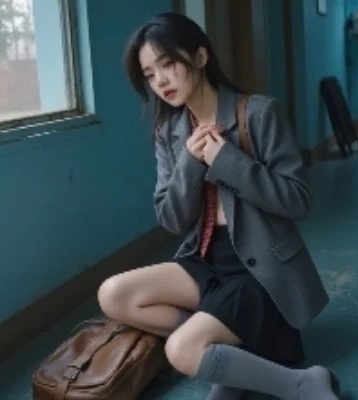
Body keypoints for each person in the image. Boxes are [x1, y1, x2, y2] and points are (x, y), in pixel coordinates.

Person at [97, 12, 340, 400]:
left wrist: (227, 161)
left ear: (201, 56)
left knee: (181, 350)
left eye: (168, 64)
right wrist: (191, 163)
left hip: (259, 270)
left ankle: (304, 382)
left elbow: (298, 200)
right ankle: (227, 356)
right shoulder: (169, 131)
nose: (160, 81)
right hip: (205, 259)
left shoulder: (258, 113)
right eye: (149, 74)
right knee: (113, 294)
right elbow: (172, 219)